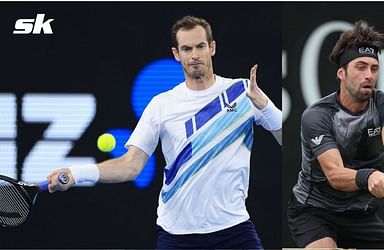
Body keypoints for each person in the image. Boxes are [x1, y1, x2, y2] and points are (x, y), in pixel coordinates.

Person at [47, 15, 282, 249]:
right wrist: (76, 173)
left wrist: (266, 107)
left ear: (212, 48)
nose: (195, 55)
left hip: (234, 230)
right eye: (187, 49)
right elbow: (130, 166)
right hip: (177, 236)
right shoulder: (162, 105)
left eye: (200, 46)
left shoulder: (243, 92)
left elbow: (289, 140)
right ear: (176, 54)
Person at [287, 20, 384, 248]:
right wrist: (371, 176)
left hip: (359, 213)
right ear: (341, 73)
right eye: (361, 67)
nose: (369, 75)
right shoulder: (317, 115)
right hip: (314, 211)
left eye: (374, 68)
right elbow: (334, 174)